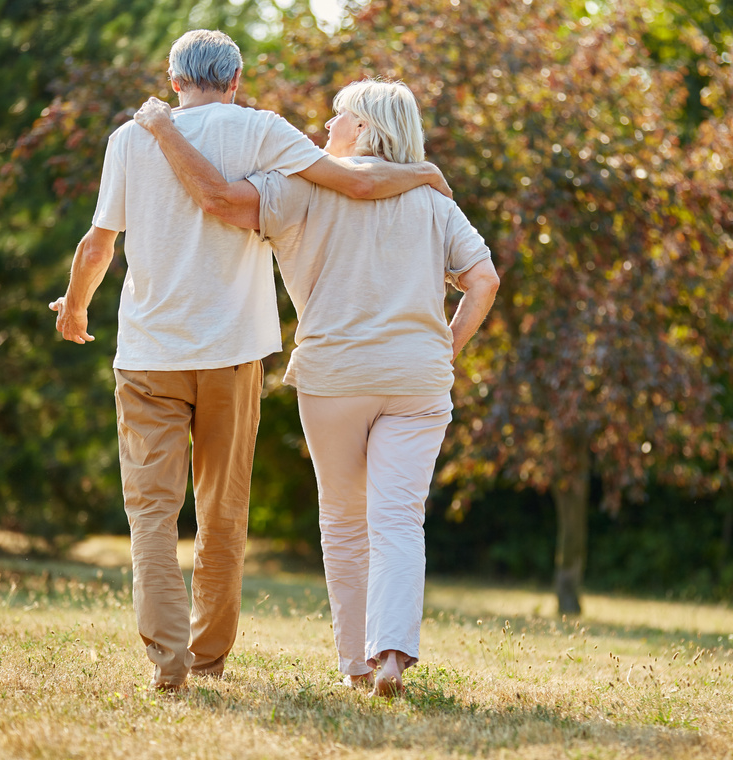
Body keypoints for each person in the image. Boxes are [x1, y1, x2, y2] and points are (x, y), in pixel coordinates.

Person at [48, 31, 451, 693]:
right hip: (233, 354)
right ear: (235, 79)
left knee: (151, 513)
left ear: (174, 80)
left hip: (149, 354)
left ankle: (166, 662)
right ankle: (207, 657)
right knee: (223, 511)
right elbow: (354, 178)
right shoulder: (263, 129)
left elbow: (99, 243)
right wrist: (426, 175)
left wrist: (75, 307)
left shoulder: (130, 138)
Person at [133, 79, 499, 696]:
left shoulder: (298, 186)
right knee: (400, 519)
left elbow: (222, 203)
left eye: (337, 117)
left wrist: (166, 132)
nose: (325, 126)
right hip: (418, 377)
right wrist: (447, 345)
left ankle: (355, 665)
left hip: (335, 375)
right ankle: (391, 656)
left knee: (344, 520)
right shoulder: (433, 197)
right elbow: (483, 280)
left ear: (361, 128)